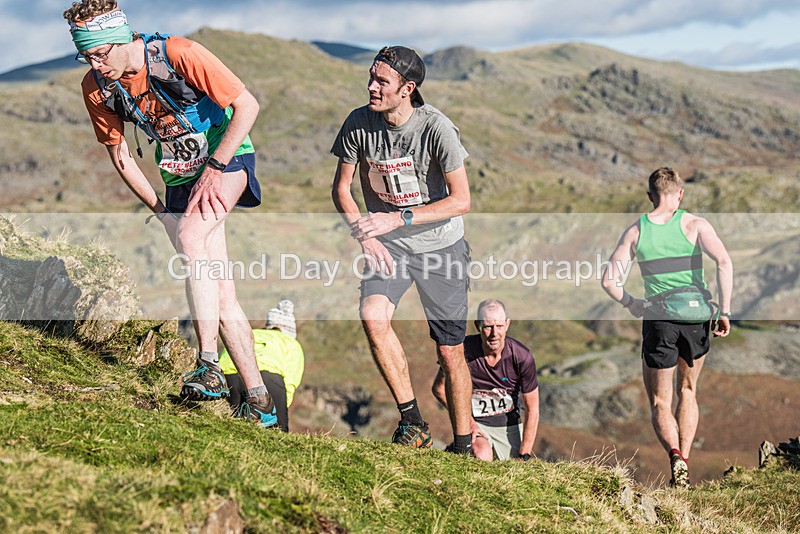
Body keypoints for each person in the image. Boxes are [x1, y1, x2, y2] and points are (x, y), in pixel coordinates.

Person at [63, 1, 276, 426]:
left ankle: (209, 365)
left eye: (101, 53)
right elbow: (121, 156)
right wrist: (160, 211)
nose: (95, 63)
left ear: (122, 37)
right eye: (86, 55)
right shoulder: (97, 86)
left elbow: (247, 106)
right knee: (221, 292)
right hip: (178, 175)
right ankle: (260, 403)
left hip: (226, 157)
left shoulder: (178, 53)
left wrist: (216, 168)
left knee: (192, 240)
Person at [331, 46, 473, 453]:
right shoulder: (358, 123)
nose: (371, 87)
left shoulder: (437, 129)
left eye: (382, 82)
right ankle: (412, 421)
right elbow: (342, 189)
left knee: (449, 350)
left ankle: (463, 446)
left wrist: (398, 218)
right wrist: (367, 235)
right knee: (372, 316)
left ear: (407, 88)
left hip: (440, 247)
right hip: (387, 247)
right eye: (371, 77)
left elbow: (461, 200)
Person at [601, 167, 733, 487]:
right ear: (679, 194)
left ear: (650, 196)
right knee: (688, 390)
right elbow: (724, 262)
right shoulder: (696, 224)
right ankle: (684, 461)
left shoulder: (636, 231)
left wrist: (632, 303)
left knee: (660, 401)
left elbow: (608, 281)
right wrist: (725, 311)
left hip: (659, 318)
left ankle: (674, 455)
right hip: (696, 316)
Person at [432, 299, 539, 461]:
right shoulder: (463, 350)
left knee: (518, 474)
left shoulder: (522, 356)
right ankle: (460, 449)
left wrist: (525, 454)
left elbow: (532, 410)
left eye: (500, 326)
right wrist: (468, 421)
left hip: (509, 427)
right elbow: (439, 389)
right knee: (481, 455)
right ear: (477, 326)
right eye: (488, 326)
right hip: (477, 424)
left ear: (507, 324)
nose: (494, 333)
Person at [219, 300, 304, 432]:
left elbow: (225, 354)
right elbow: (290, 380)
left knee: (231, 428)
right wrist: (281, 406)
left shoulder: (251, 333)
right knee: (276, 433)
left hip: (229, 377)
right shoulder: (291, 344)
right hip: (268, 379)